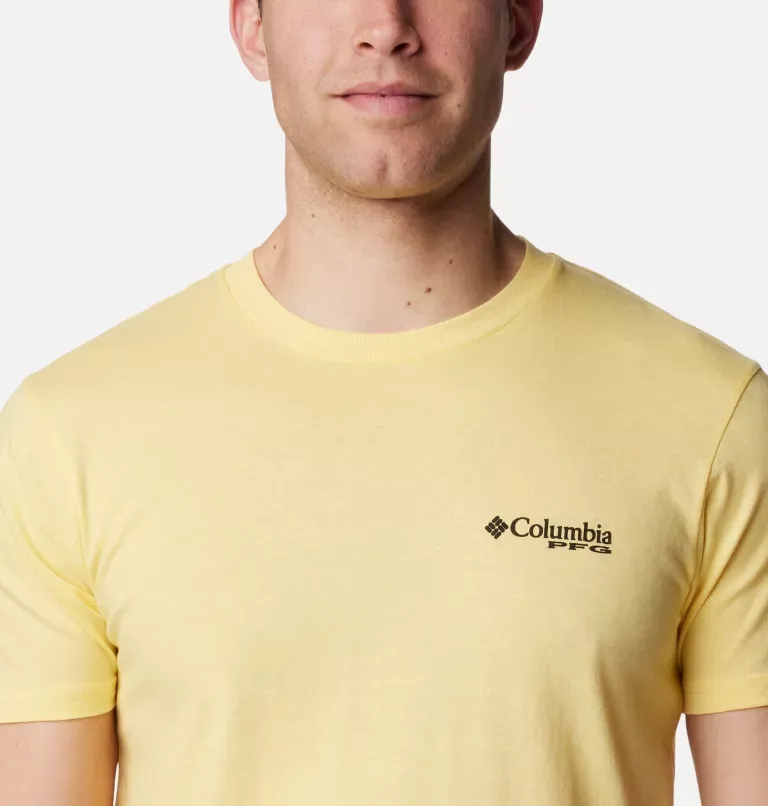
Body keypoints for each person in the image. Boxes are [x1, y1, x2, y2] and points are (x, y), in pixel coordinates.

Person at [1, 0, 766, 804]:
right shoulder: (69, 433)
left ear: (518, 22)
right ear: (252, 27)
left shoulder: (709, 416)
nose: (386, 25)